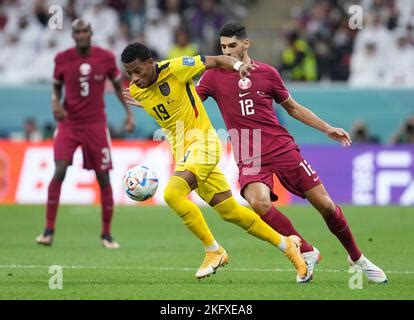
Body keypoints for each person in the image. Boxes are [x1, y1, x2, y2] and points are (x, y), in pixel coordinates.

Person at [194, 22, 387, 283]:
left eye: (232, 45)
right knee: (259, 203)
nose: (227, 51)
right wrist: (156, 101)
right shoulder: (213, 76)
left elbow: (293, 109)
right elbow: (191, 102)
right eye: (223, 47)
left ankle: (356, 257)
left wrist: (327, 128)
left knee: (327, 206)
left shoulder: (268, 73)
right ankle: (306, 250)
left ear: (246, 44)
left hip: (280, 146)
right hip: (248, 151)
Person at [121, 42, 307, 280]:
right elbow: (163, 106)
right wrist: (145, 102)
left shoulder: (177, 68)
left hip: (204, 145)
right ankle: (288, 246)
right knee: (231, 212)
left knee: (172, 194)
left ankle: (214, 250)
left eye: (137, 71)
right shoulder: (137, 91)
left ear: (150, 63)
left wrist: (238, 65)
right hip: (184, 155)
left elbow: (219, 61)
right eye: (129, 74)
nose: (134, 79)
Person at [36, 19, 135, 249]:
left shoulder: (105, 58)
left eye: (85, 31)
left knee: (103, 177)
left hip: (95, 125)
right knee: (59, 169)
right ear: (73, 35)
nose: (81, 35)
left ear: (91, 33)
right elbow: (56, 88)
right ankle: (48, 230)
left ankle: (106, 234)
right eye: (77, 32)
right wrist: (55, 103)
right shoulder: (62, 58)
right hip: (69, 124)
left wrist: (129, 114)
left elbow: (119, 87)